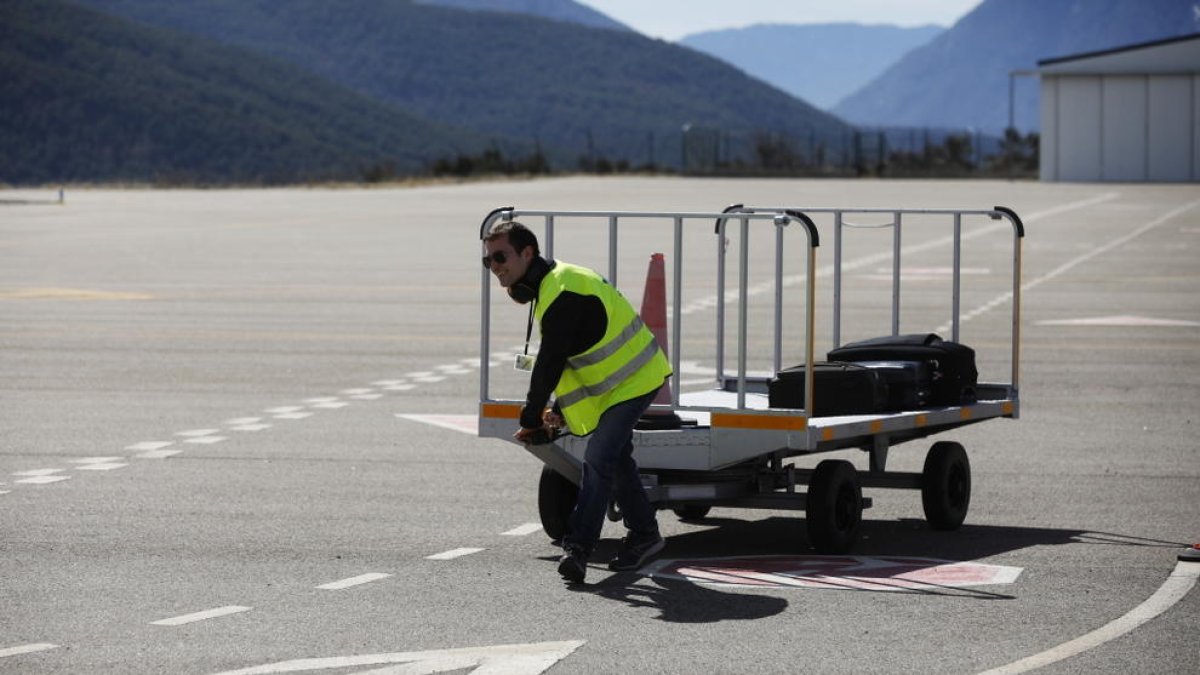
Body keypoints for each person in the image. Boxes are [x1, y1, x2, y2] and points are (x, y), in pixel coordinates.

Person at [483, 220, 672, 584]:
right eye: (488, 261)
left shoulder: (564, 292)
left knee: (599, 457)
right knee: (615, 458)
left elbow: (550, 363)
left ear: (527, 253)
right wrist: (558, 408)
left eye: (501, 257)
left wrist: (532, 415)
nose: (495, 267)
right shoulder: (552, 287)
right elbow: (572, 359)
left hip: (636, 378)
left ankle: (578, 549)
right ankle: (646, 535)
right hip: (617, 383)